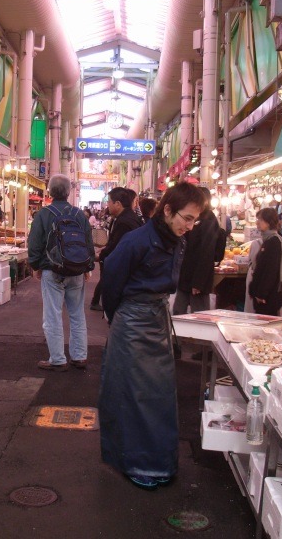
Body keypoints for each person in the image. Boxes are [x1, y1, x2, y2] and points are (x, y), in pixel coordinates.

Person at [99, 182, 205, 490]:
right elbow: (112, 280)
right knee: (132, 394)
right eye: (186, 218)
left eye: (194, 219)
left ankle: (158, 463)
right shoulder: (137, 240)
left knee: (158, 394)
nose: (190, 225)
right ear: (168, 210)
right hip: (132, 321)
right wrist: (118, 315)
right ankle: (135, 462)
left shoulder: (178, 240)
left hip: (157, 317)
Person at [28, 174, 95, 371]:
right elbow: (88, 243)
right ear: (68, 192)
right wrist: (88, 267)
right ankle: (79, 356)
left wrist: (36, 265)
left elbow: (35, 243)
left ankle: (57, 359)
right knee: (77, 314)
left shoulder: (43, 214)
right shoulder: (79, 214)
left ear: (49, 191)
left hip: (52, 270)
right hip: (76, 271)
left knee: (53, 315)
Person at [173, 187, 226, 314]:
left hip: (197, 280)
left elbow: (206, 253)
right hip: (186, 276)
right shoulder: (196, 218)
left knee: (199, 316)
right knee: (178, 313)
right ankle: (177, 334)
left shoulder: (208, 220)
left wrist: (199, 282)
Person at [90, 187, 143, 311]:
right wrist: (105, 249)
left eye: (109, 202)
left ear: (118, 204)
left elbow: (117, 247)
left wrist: (101, 255)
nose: (107, 205)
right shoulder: (126, 218)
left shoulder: (124, 221)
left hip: (122, 270)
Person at [246, 207, 282, 315]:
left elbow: (270, 270)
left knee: (267, 325)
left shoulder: (274, 242)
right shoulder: (269, 240)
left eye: (260, 220)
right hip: (267, 294)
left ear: (268, 222)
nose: (257, 222)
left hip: (269, 295)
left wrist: (261, 293)